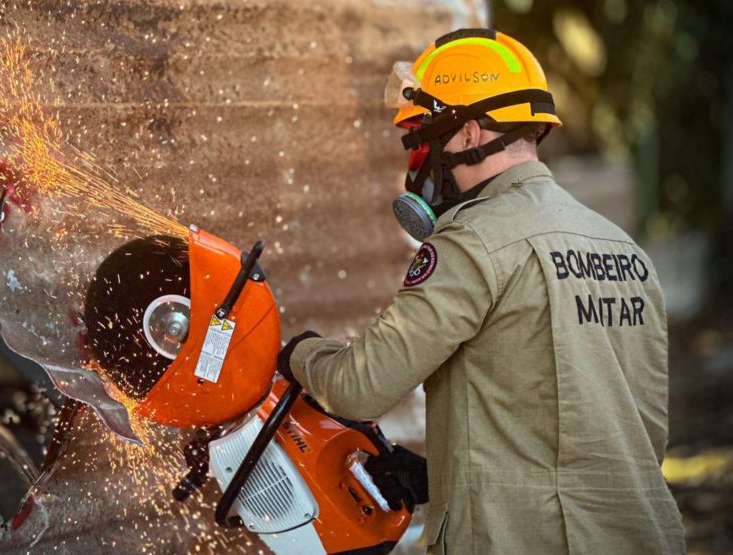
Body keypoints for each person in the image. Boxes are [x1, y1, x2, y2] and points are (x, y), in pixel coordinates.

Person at [277, 28, 686, 554]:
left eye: (424, 139)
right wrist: (445, 476)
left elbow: (360, 388)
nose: (419, 161)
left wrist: (301, 354)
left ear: (469, 133)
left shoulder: (472, 240)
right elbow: (619, 430)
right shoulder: (623, 249)